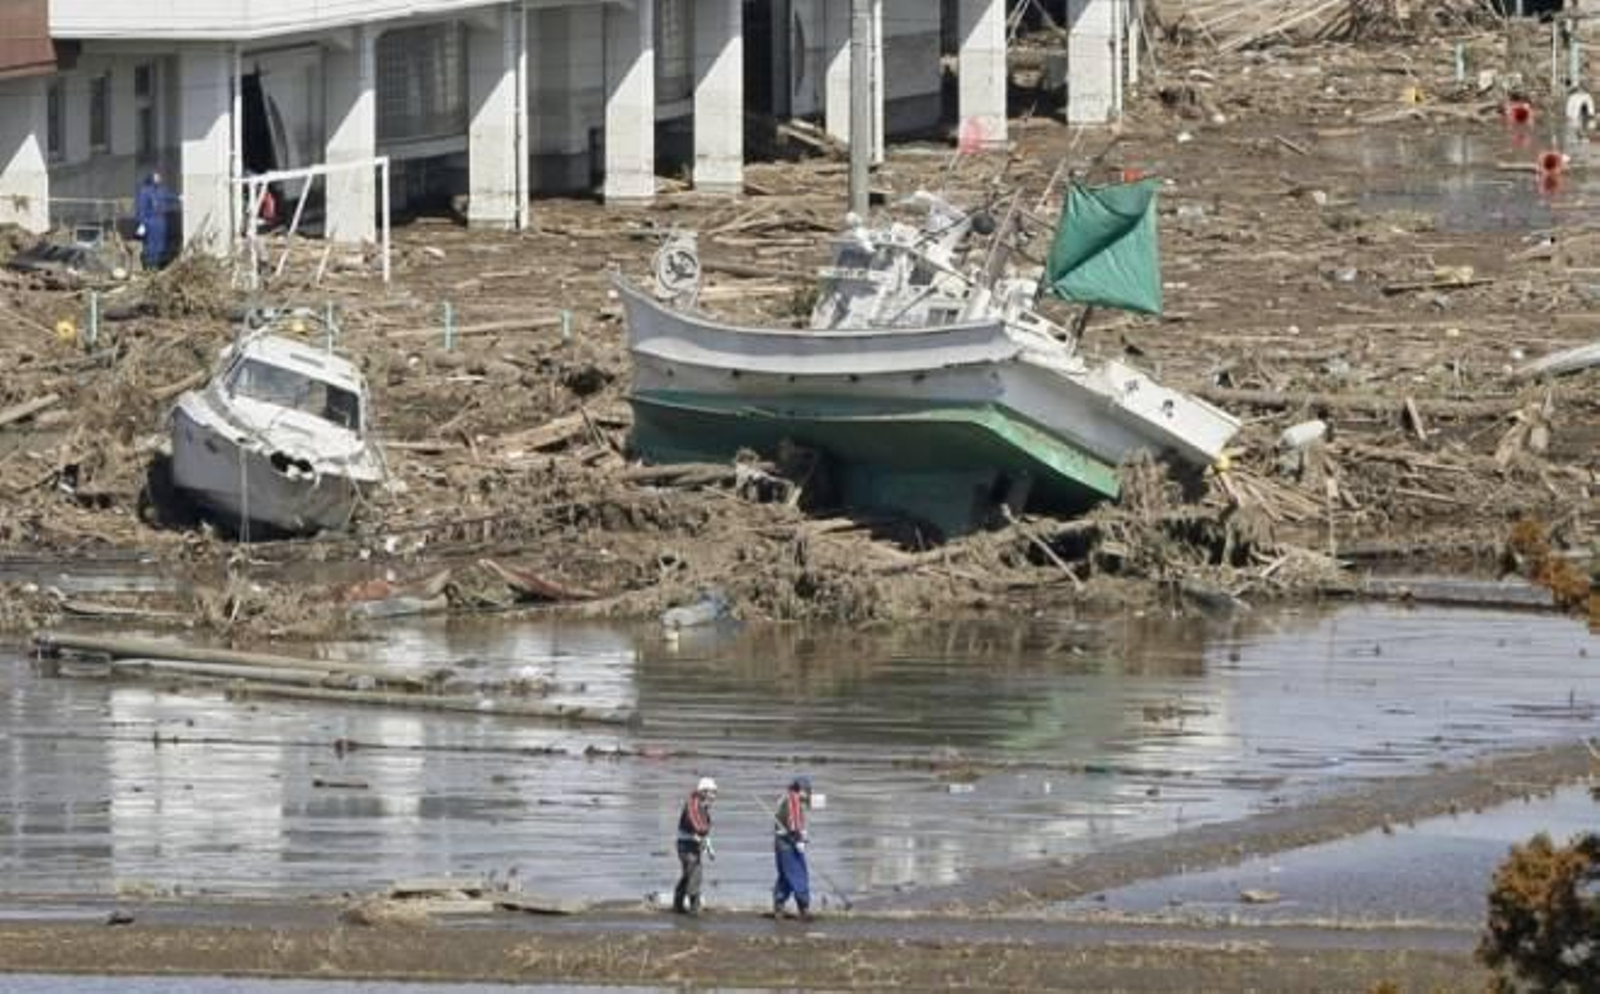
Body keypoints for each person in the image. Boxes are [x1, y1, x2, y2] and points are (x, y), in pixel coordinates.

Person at [772, 775, 813, 920]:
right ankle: (804, 908)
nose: (808, 794)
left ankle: (779, 907)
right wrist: (798, 839)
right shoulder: (793, 799)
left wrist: (802, 833)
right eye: (807, 791)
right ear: (800, 789)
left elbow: (793, 822)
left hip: (781, 843)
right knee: (799, 874)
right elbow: (794, 823)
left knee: (785, 876)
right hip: (788, 844)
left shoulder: (785, 798)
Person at [673, 776, 717, 915]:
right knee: (695, 874)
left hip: (693, 844)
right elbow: (698, 825)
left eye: (714, 792)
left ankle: (678, 904)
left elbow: (704, 829)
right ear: (703, 791)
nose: (714, 795)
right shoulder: (693, 803)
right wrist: (703, 834)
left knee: (688, 874)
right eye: (712, 792)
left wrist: (709, 846)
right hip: (686, 845)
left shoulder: (702, 804)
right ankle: (694, 906)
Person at [134, 173, 175, 271]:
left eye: (159, 177)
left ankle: (156, 265)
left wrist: (180, 197)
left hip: (161, 221)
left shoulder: (161, 190)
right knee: (150, 245)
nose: (159, 178)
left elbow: (169, 196)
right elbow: (141, 208)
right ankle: (148, 265)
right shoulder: (145, 191)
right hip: (150, 221)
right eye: (156, 177)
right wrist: (142, 223)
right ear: (151, 178)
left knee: (160, 244)